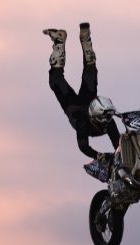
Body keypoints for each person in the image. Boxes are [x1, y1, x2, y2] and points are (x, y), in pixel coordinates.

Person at [43, 23, 120, 181]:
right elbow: (89, 146)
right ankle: (81, 41)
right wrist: (100, 155)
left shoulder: (94, 123)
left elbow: (87, 147)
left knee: (62, 78)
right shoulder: (101, 122)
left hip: (77, 107)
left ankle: (65, 41)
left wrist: (100, 156)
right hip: (81, 106)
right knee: (86, 72)